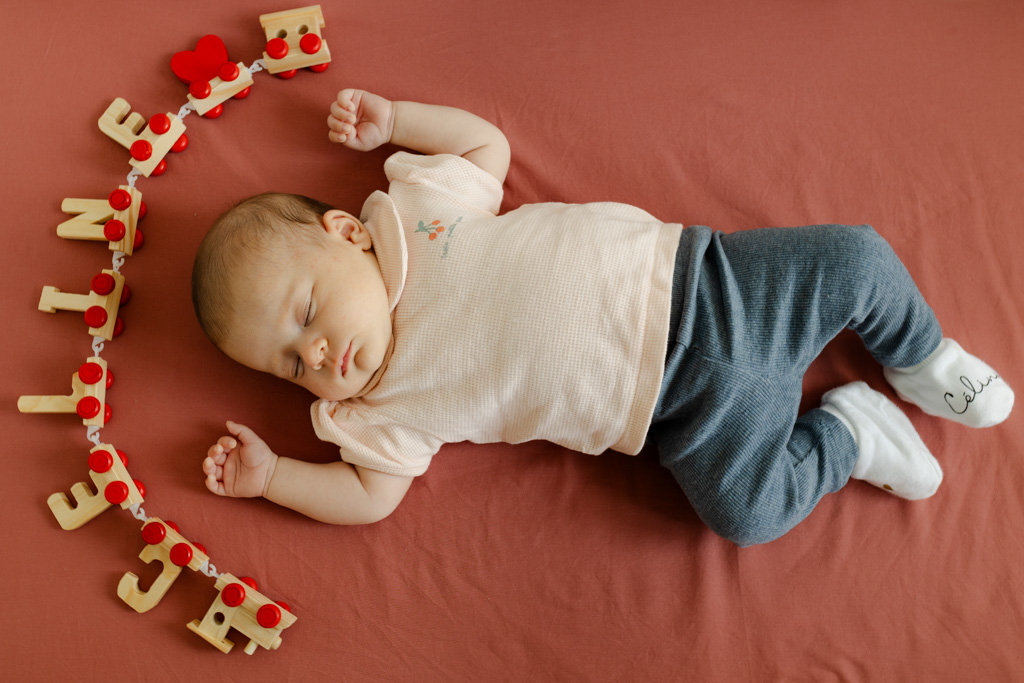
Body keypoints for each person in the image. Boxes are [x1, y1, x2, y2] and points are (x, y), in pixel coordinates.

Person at [191, 88, 1014, 546]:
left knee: (858, 259)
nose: (321, 350)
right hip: (680, 417)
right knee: (748, 516)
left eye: (306, 312)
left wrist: (398, 122)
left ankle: (921, 356)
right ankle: (849, 436)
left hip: (704, 281)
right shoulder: (377, 409)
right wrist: (275, 481)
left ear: (344, 233)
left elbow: (487, 150)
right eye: (292, 363)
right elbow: (371, 497)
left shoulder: (413, 213)